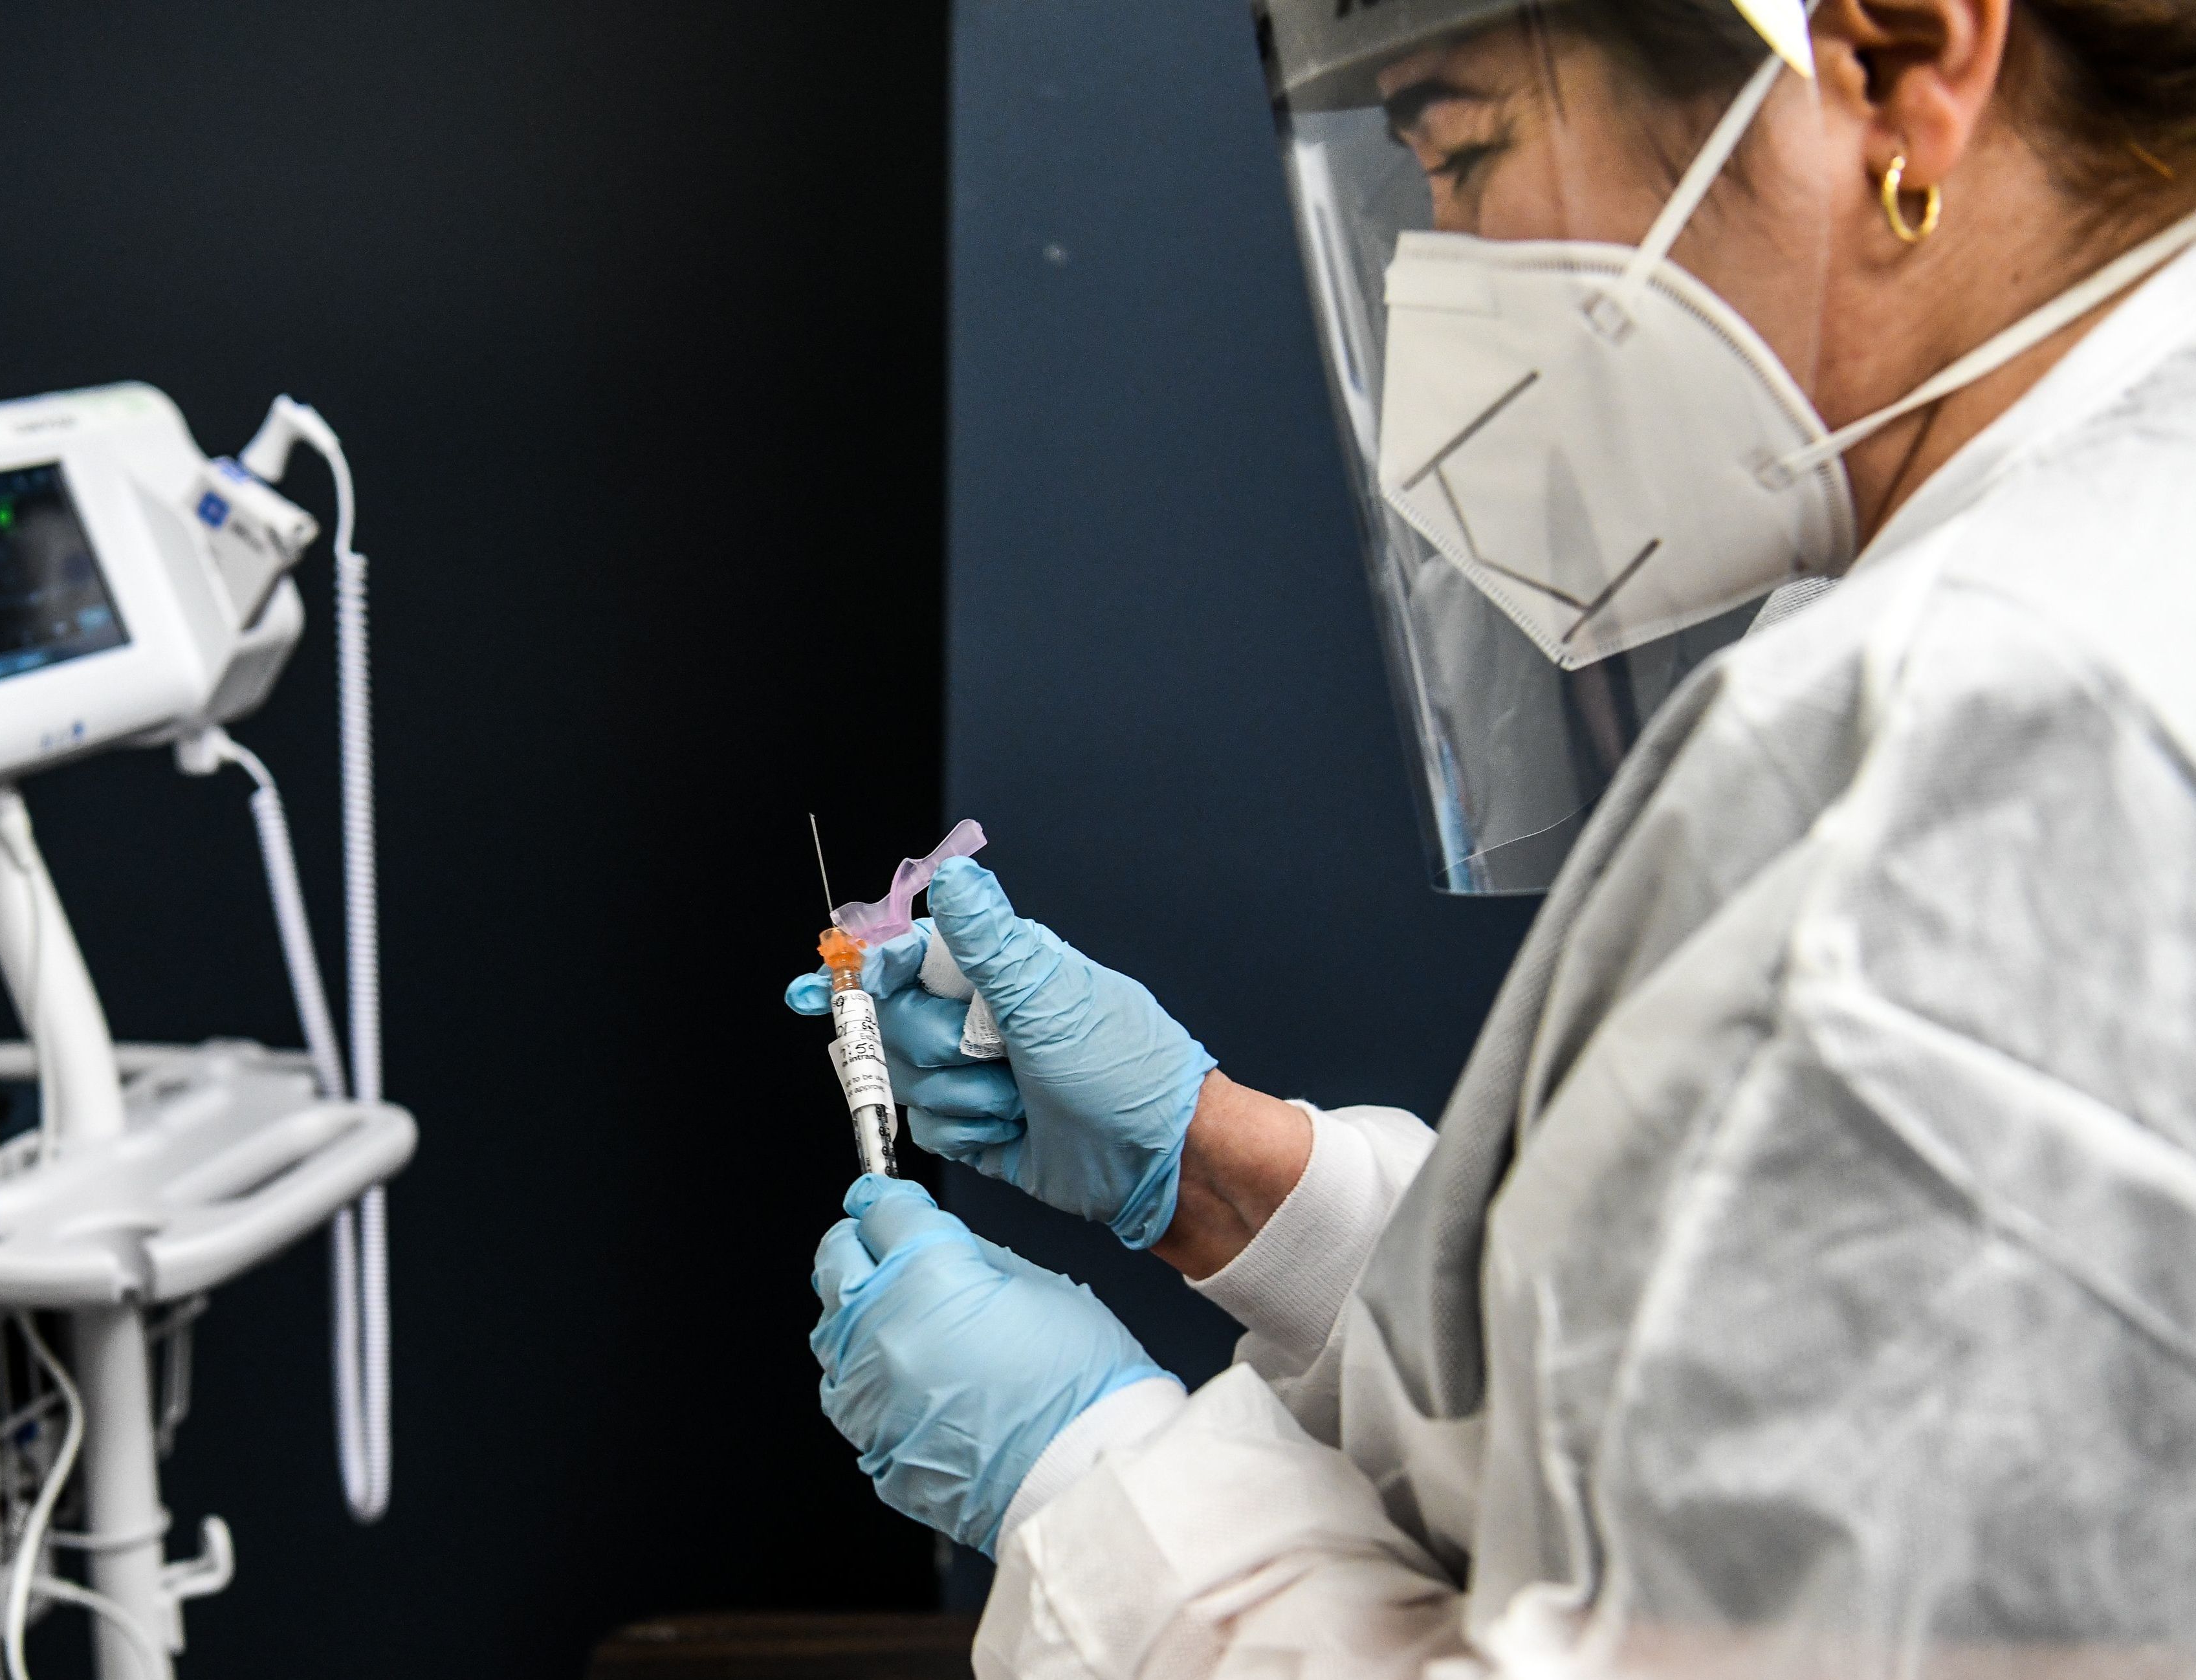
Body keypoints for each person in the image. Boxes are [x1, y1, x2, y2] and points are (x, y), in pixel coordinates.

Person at [791, 1, 2196, 1674]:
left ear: (1896, 65)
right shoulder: (2063, 591)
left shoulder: (1991, 750)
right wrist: (1230, 1181)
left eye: (1459, 148)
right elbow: (1719, 1374)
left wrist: (1090, 1481)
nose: (1435, 286)